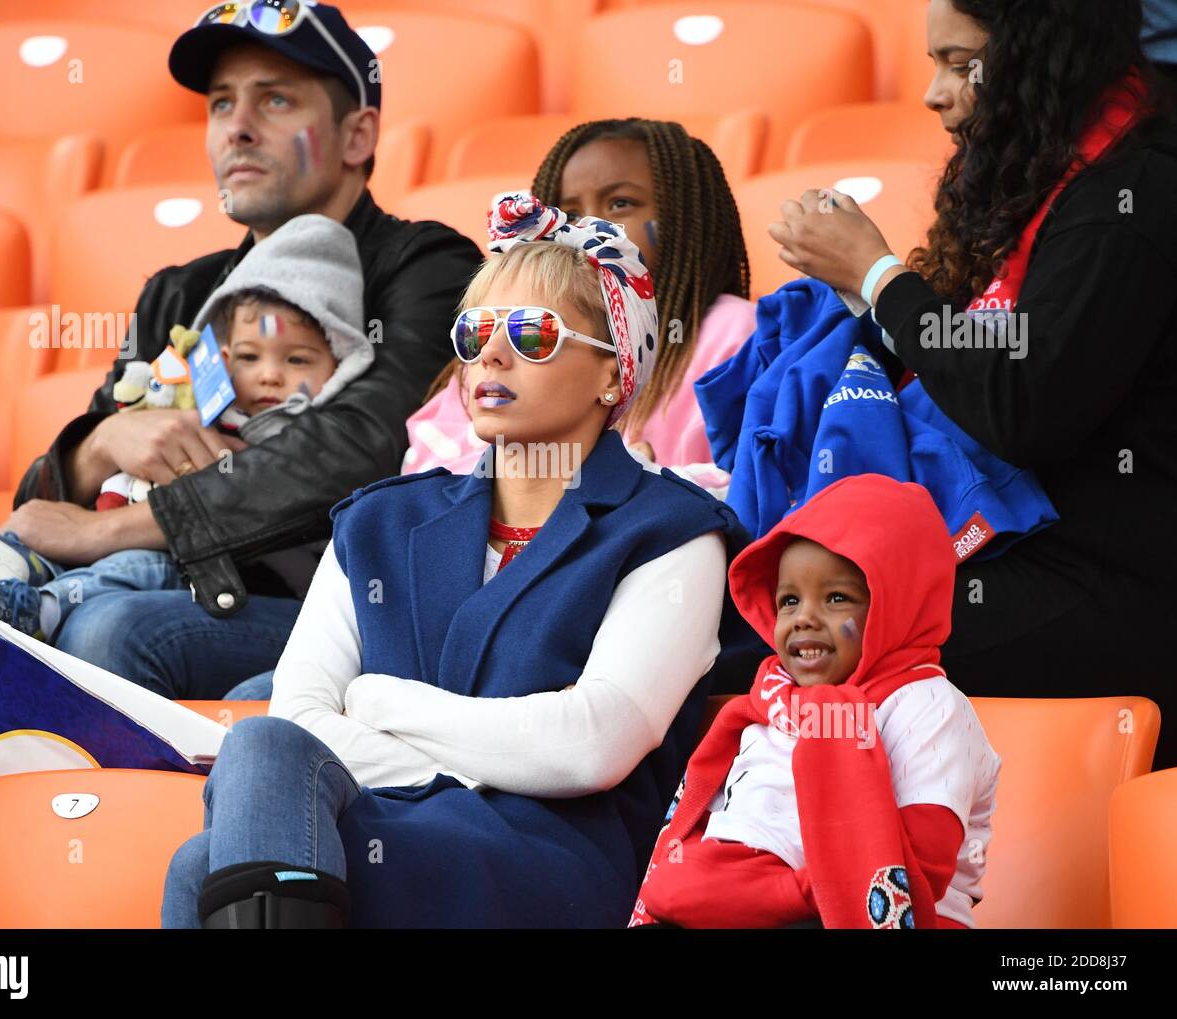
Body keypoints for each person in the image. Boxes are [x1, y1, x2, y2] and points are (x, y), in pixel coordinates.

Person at [160, 193, 752, 928]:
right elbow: (301, 720)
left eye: (533, 334)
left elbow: (592, 745)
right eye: (473, 333)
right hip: (382, 831)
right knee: (244, 778)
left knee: (221, 849)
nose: (491, 356)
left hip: (550, 868)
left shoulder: (671, 530)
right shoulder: (378, 519)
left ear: (613, 374)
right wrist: (491, 767)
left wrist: (385, 704)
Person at [0, 3, 482, 696]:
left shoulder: (428, 266)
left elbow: (368, 445)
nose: (237, 127)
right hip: (153, 585)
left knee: (109, 629)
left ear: (357, 134)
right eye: (221, 104)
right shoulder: (179, 294)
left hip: (335, 611)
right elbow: (50, 503)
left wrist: (112, 533)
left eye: (275, 99)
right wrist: (100, 446)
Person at [766, 0, 1177, 768]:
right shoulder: (1047, 182)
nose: (934, 92)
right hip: (1027, 554)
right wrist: (869, 300)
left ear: (1039, 60)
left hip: (1112, 589)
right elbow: (971, 363)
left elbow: (1024, 406)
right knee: (762, 616)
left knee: (784, 644)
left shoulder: (1132, 197)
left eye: (962, 64)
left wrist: (880, 277)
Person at [0, 215, 370, 663]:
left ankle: (38, 607)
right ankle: (22, 564)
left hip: (216, 576)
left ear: (339, 363)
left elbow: (290, 516)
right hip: (151, 552)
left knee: (126, 577)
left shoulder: (307, 439)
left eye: (296, 359)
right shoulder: (202, 412)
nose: (271, 374)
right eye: (251, 358)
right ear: (225, 359)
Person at [630, 474, 1000, 929]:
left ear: (899, 602)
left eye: (836, 598)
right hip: (736, 902)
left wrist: (819, 889)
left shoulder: (927, 706)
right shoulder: (773, 700)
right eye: (788, 600)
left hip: (887, 915)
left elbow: (924, 867)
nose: (803, 617)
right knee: (668, 891)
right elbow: (721, 826)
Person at [404, 118, 753, 494]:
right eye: (568, 213)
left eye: (620, 204)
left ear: (685, 219)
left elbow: (754, 485)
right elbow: (424, 475)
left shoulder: (735, 331)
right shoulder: (499, 341)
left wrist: (639, 475)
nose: (590, 225)